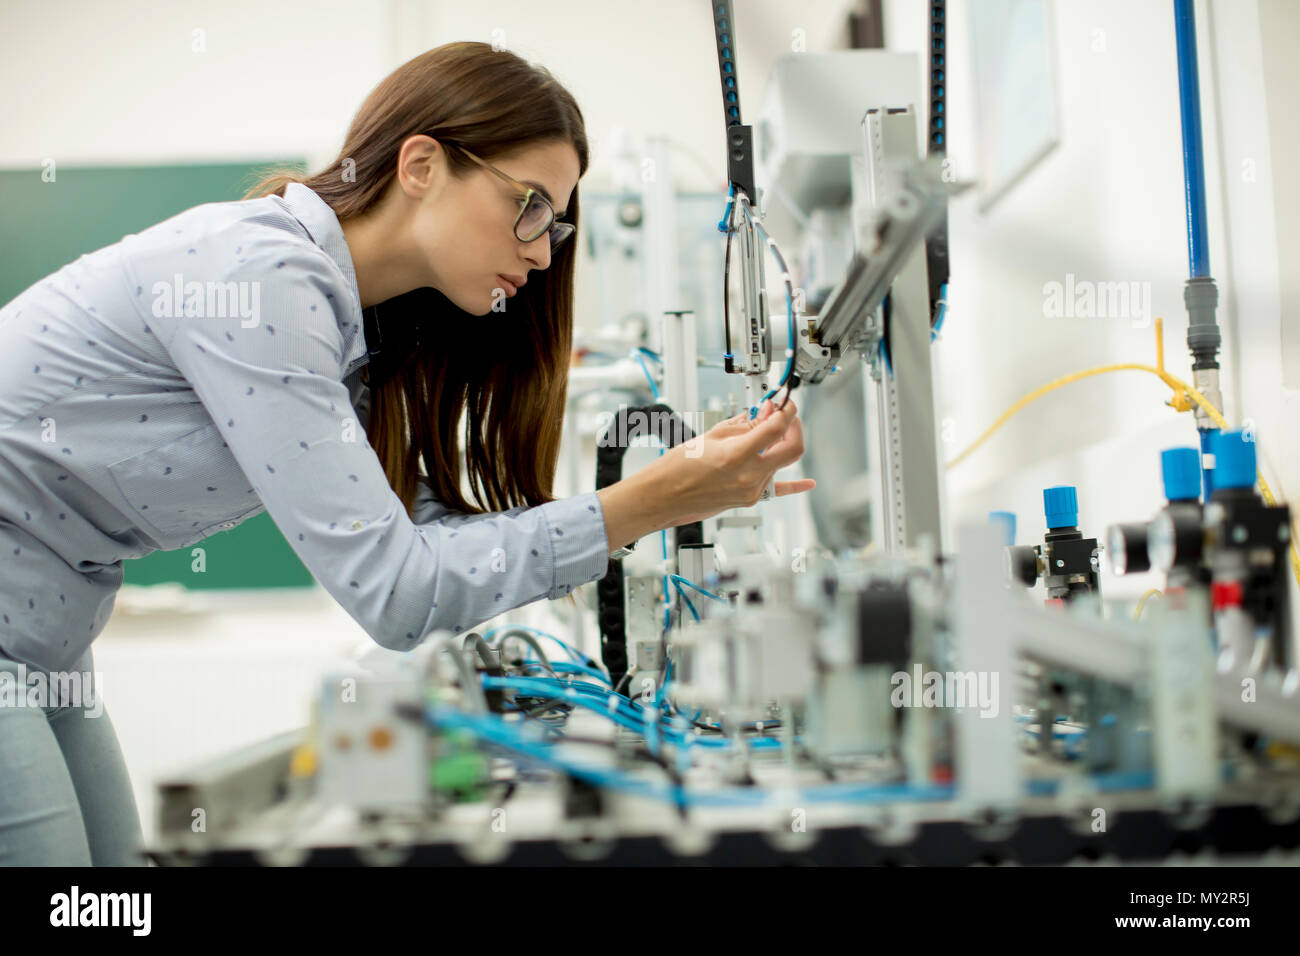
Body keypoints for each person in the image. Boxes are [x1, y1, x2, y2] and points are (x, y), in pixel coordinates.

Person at [0, 40, 813, 866]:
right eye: (530, 206)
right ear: (421, 164)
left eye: (557, 225)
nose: (542, 250)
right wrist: (652, 503)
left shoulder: (356, 340)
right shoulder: (259, 279)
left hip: (48, 638)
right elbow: (396, 592)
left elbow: (422, 541)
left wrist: (677, 494)